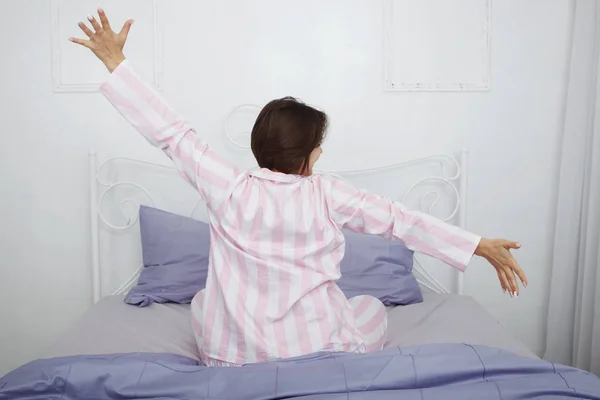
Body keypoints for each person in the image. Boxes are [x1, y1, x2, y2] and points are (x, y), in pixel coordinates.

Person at [70, 9, 528, 367]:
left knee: (203, 302)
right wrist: (477, 246)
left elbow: (173, 135)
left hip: (233, 355)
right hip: (318, 346)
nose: (322, 154)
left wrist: (116, 62)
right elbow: (398, 220)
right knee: (368, 306)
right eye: (319, 146)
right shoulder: (328, 194)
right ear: (307, 152)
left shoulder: (226, 186)